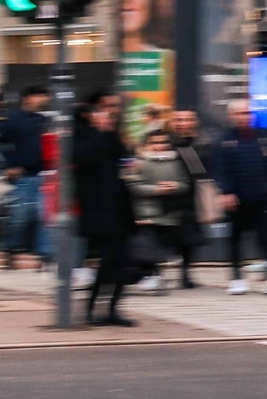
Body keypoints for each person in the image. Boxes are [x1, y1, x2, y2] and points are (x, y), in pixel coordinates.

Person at [71, 92, 136, 326]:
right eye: (104, 111)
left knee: (121, 262)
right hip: (98, 211)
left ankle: (112, 309)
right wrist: (99, 131)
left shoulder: (111, 138)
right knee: (108, 261)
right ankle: (91, 308)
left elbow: (125, 160)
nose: (109, 115)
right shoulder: (83, 138)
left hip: (119, 208)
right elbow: (82, 159)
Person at [211, 98, 267, 294]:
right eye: (241, 113)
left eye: (248, 113)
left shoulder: (264, 138)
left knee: (265, 236)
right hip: (236, 198)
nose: (246, 117)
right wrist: (225, 192)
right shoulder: (224, 141)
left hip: (261, 195)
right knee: (236, 238)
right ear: (231, 116)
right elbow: (220, 170)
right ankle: (237, 277)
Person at [127, 128, 189, 293]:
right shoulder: (138, 162)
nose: (160, 146)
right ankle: (151, 274)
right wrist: (156, 189)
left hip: (168, 212)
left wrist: (175, 186)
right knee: (148, 244)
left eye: (163, 142)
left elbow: (185, 183)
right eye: (155, 142)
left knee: (162, 246)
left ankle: (155, 275)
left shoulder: (175, 162)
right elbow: (133, 186)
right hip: (146, 212)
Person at [0, 87, 51, 266]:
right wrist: (10, 165)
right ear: (28, 98)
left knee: (43, 214)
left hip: (43, 173)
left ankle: (44, 251)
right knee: (21, 213)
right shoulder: (14, 119)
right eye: (39, 95)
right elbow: (1, 144)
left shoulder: (44, 120)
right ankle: (10, 246)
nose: (43, 99)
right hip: (24, 174)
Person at [166, 110, 210, 289]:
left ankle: (185, 273)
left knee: (189, 238)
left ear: (194, 121)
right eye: (178, 120)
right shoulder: (167, 142)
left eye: (186, 119)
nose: (182, 123)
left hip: (192, 196)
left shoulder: (203, 143)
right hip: (169, 195)